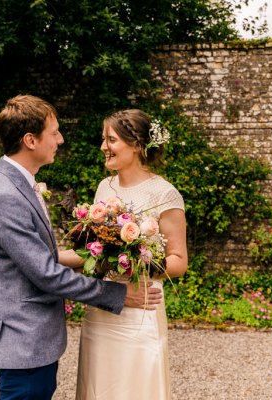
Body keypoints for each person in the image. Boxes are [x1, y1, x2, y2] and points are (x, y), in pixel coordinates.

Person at [0, 95, 163, 400]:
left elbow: (42, 258)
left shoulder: (19, 184)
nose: (60, 140)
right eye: (54, 132)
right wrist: (120, 295)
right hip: (23, 344)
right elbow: (47, 274)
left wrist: (100, 258)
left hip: (35, 344)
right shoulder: (5, 196)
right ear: (30, 140)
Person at [75, 109, 188, 400]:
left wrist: (137, 266)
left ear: (136, 145)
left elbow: (178, 260)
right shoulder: (105, 187)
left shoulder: (164, 193)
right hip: (102, 308)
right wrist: (47, 256)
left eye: (110, 139)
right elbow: (94, 251)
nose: (103, 147)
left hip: (140, 308)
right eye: (103, 139)